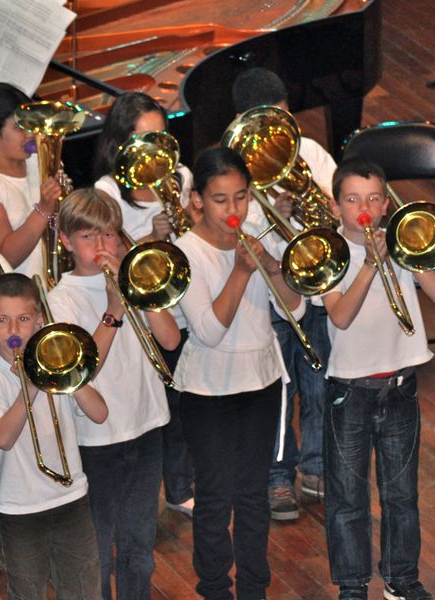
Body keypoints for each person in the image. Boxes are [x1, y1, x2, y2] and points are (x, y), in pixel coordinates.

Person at [174, 146, 305, 600]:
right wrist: (242, 272)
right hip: (208, 390)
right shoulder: (184, 253)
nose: (234, 209)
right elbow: (208, 331)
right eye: (220, 199)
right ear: (197, 201)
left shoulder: (254, 235)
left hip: (262, 381)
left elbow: (296, 308)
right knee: (215, 498)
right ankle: (215, 590)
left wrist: (273, 266)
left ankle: (254, 589)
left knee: (252, 495)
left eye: (242, 197)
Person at [320, 160, 435, 600]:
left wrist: (405, 250)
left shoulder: (401, 243)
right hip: (349, 392)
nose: (365, 208)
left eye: (374, 199)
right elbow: (339, 315)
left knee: (401, 495)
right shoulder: (328, 252)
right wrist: (370, 267)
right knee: (346, 500)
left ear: (386, 203)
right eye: (353, 199)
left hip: (400, 387)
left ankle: (401, 579)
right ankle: (353, 585)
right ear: (336, 206)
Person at [47, 188, 180, 599]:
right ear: (67, 242)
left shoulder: (131, 279)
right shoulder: (59, 300)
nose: (101, 246)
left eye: (108, 235)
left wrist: (140, 289)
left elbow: (171, 340)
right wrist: (114, 310)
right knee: (99, 552)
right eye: (88, 238)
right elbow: (83, 368)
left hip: (146, 427)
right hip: (97, 441)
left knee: (139, 548)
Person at [231, 66, 338, 520]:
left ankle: (316, 468)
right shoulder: (232, 167)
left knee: (319, 386)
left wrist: (320, 205)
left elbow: (336, 210)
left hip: (313, 291)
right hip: (266, 295)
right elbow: (232, 233)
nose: (279, 138)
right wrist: (270, 212)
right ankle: (278, 477)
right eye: (268, 127)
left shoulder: (309, 150)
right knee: (279, 392)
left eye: (283, 122)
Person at [0, 273, 108, 599]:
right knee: (27, 592)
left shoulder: (55, 361)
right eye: (2, 320)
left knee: (84, 590)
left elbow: (100, 413)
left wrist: (66, 369)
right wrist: (30, 386)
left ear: (39, 321)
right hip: (19, 509)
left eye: (24, 319)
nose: (14, 330)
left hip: (72, 498)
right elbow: (3, 437)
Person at [91, 92, 197, 518]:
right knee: (162, 407)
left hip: (183, 307)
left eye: (163, 136)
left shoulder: (181, 177)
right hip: (139, 317)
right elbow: (113, 258)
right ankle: (162, 490)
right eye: (147, 137)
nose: (159, 148)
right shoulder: (108, 191)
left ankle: (182, 483)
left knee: (185, 405)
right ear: (122, 144)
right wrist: (153, 238)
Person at [0, 82, 61, 279]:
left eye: (31, 123)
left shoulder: (39, 160)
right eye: (20, 127)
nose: (31, 133)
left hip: (57, 280)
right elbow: (6, 257)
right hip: (23, 292)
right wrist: (44, 210)